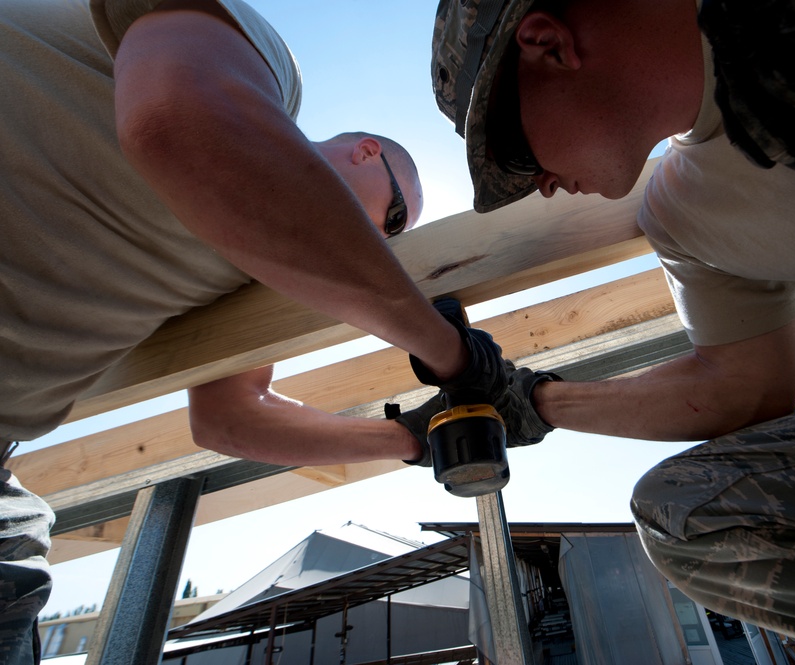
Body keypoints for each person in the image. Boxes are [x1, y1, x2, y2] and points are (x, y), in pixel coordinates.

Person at [431, 0, 795, 662]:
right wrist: (529, 400)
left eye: (514, 155)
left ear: (548, 44)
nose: (538, 187)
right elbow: (745, 390)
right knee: (687, 517)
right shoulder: (684, 214)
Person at [0, 0, 511, 662]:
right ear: (366, 151)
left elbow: (227, 419)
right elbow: (171, 122)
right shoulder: (260, 61)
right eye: (390, 219)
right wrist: (446, 349)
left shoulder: (249, 265)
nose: (376, 248)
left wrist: (409, 439)